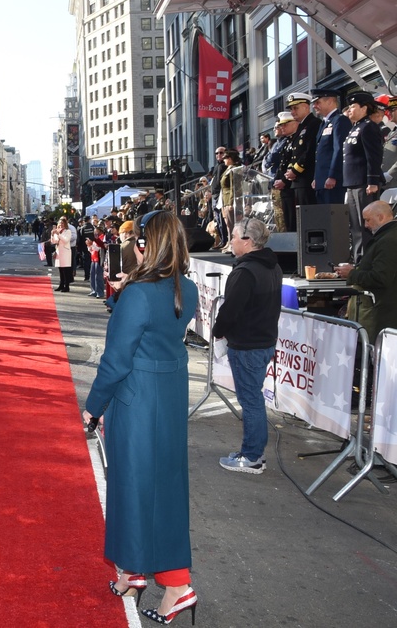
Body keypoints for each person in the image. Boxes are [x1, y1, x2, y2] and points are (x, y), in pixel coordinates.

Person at [82, 210, 199, 625]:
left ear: (144, 245)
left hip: (136, 400)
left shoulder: (140, 293)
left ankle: (176, 585)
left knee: (134, 488)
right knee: (161, 486)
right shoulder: (187, 287)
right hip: (167, 396)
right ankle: (135, 572)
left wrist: (92, 407)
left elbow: (116, 361)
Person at [212, 218, 283, 474]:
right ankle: (253, 453)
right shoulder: (271, 267)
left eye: (233, 236)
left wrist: (218, 331)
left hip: (248, 345)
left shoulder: (246, 272)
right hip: (262, 342)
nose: (230, 240)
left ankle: (252, 456)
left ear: (248, 241)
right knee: (253, 399)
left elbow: (230, 311)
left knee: (251, 400)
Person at [335, 201, 397, 344]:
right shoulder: (386, 237)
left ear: (381, 217)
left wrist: (352, 274)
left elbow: (381, 277)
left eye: (368, 220)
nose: (366, 225)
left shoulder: (388, 241)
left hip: (382, 315)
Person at [343, 91, 386, 262]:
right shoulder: (356, 127)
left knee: (366, 224)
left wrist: (372, 181)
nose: (350, 110)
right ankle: (358, 260)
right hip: (353, 182)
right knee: (355, 226)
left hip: (364, 183)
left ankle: (367, 261)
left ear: (364, 107)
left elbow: (373, 156)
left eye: (353, 106)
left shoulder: (368, 126)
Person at [311, 88, 350, 205]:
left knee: (333, 219)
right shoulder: (324, 123)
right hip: (322, 181)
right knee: (324, 220)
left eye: (318, 102)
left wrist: (333, 175)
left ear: (330, 101)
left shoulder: (340, 120)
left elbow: (339, 149)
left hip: (333, 181)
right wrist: (316, 177)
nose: (314, 106)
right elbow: (320, 153)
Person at [283, 91, 321, 208]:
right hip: (298, 180)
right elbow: (295, 152)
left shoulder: (314, 124)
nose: (292, 112)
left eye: (295, 108)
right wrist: (290, 170)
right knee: (300, 219)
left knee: (308, 216)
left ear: (306, 107)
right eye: (291, 109)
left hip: (307, 178)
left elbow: (309, 151)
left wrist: (295, 170)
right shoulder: (301, 126)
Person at [50, 217, 73, 292]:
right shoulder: (58, 231)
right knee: (60, 270)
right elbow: (54, 242)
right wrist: (53, 235)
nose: (61, 225)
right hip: (59, 252)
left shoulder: (68, 231)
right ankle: (61, 285)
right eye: (60, 223)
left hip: (65, 252)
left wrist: (58, 234)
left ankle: (67, 286)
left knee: (65, 270)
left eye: (62, 223)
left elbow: (66, 240)